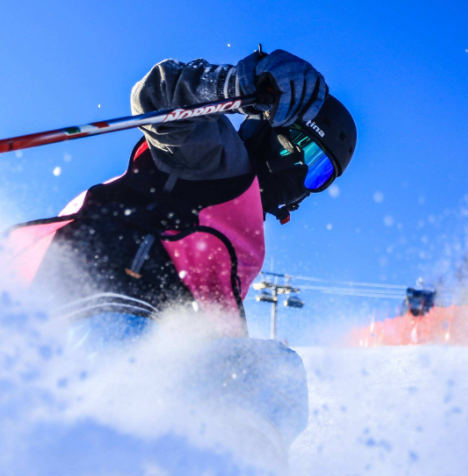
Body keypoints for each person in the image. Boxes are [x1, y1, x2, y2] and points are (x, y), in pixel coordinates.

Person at [6, 48, 357, 341]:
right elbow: (157, 96)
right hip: (108, 295)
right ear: (267, 127)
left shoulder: (246, 236)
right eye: (301, 149)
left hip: (150, 334)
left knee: (273, 387)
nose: (299, 172)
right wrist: (235, 85)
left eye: (319, 172)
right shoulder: (219, 158)